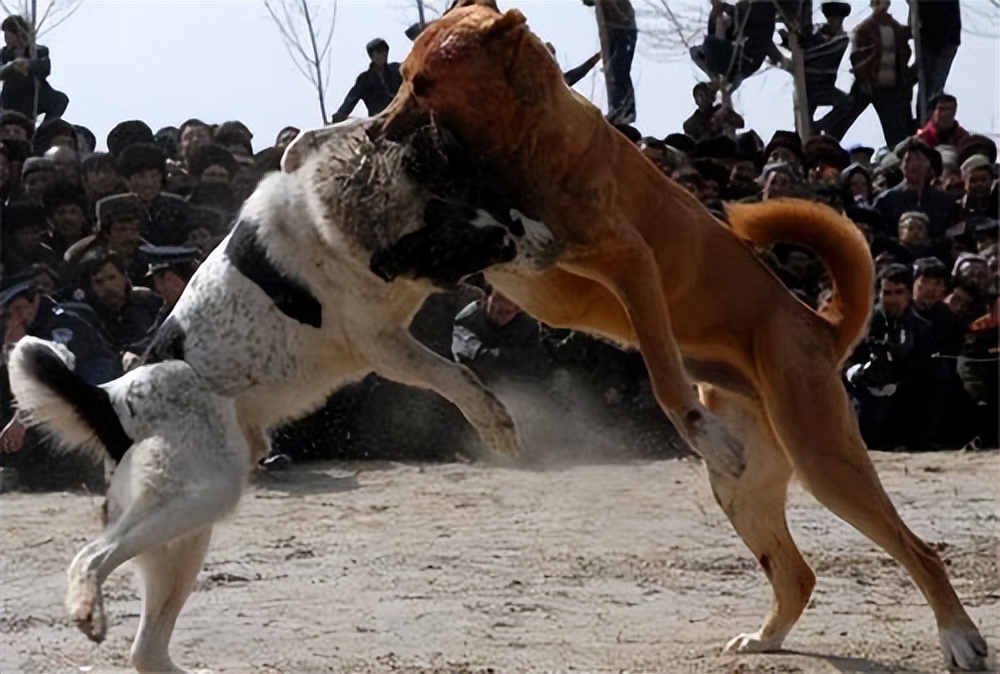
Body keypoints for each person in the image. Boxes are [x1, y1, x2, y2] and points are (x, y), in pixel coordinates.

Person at [845, 263, 935, 450]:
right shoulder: (860, 324)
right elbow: (845, 359)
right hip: (863, 393)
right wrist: (858, 372)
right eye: (887, 293)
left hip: (905, 398)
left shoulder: (923, 329)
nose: (892, 299)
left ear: (909, 294)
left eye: (898, 292)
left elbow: (927, 373)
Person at [818, 0, 914, 147]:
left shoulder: (895, 28)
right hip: (868, 84)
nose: (880, 6)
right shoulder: (865, 28)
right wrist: (863, 78)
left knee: (895, 130)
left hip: (889, 86)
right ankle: (824, 142)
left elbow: (907, 42)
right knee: (845, 116)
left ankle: (899, 154)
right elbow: (856, 57)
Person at [122, 244, 200, 370]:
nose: (158, 288)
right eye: (156, 280)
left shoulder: (200, 310)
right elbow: (155, 336)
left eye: (166, 279)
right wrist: (134, 352)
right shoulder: (169, 308)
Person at [75, 246, 162, 359]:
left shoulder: (149, 303)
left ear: (125, 277)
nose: (108, 287)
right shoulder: (85, 319)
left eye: (112, 278)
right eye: (98, 282)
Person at [872, 137, 956, 240]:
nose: (913, 166)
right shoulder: (886, 200)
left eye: (919, 161)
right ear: (901, 166)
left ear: (929, 167)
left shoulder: (945, 202)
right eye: (908, 161)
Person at [0, 15, 68, 121]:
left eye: (8, 34)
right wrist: (12, 67)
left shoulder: (38, 51)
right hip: (12, 97)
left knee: (61, 100)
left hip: (34, 93)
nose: (5, 39)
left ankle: (45, 127)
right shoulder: (4, 54)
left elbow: (45, 68)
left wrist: (29, 66)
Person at [796, 1, 852, 129]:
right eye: (831, 18)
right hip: (807, 84)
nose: (834, 22)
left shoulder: (842, 38)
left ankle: (819, 126)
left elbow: (824, 49)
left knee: (846, 102)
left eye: (837, 19)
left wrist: (809, 42)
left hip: (824, 85)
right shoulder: (816, 30)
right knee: (803, 120)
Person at [329, 38, 402, 123]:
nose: (383, 54)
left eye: (385, 50)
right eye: (379, 51)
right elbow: (351, 99)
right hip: (380, 123)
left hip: (403, 116)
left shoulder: (396, 70)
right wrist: (339, 116)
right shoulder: (365, 79)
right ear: (371, 55)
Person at [910, 0, 960, 122]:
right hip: (928, 37)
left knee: (934, 89)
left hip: (946, 37)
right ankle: (925, 123)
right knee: (926, 87)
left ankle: (930, 122)